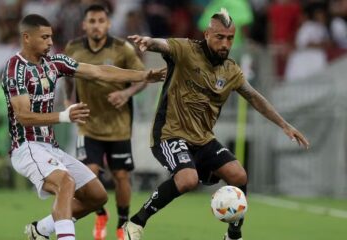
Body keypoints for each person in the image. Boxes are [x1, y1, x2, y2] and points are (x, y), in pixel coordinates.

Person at [123, 8, 310, 240]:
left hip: (203, 139)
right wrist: (149, 41)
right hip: (169, 134)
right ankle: (136, 223)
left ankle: (233, 235)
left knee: (239, 176)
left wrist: (284, 125)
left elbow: (254, 97)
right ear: (207, 34)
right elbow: (164, 45)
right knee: (187, 180)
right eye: (219, 37)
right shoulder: (186, 50)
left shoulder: (230, 70)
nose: (225, 43)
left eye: (230, 38)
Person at [1, 14, 162, 240]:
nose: (50, 42)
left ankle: (41, 230)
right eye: (44, 37)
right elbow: (24, 116)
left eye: (51, 37)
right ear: (27, 38)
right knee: (66, 182)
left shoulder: (54, 63)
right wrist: (64, 117)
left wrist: (143, 75)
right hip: (26, 147)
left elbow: (100, 71)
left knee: (97, 196)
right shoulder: (15, 68)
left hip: (49, 147)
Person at [63, 4, 146, 240]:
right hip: (87, 124)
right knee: (88, 175)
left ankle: (122, 223)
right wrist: (69, 98)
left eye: (101, 21)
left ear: (108, 24)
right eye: (92, 21)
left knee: (121, 176)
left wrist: (126, 94)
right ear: (84, 25)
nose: (96, 25)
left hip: (118, 126)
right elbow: (66, 75)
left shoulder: (123, 49)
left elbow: (142, 78)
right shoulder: (73, 48)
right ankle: (101, 213)